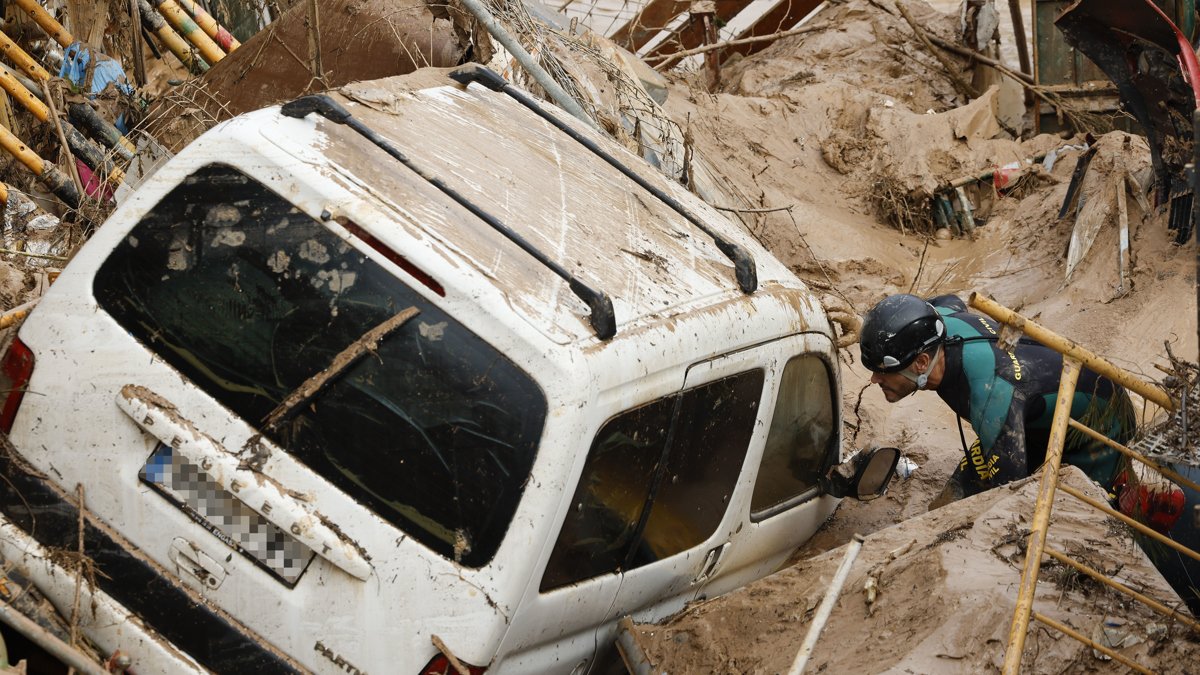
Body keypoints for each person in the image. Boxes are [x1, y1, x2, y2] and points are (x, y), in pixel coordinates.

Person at [859, 293, 1183, 532]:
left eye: (881, 370)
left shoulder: (990, 395)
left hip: (1098, 428)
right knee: (949, 501)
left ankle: (1130, 492)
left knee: (1084, 516)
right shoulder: (938, 321)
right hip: (1039, 405)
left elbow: (1008, 495)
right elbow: (949, 300)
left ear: (920, 363)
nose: (874, 379)